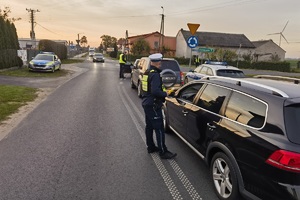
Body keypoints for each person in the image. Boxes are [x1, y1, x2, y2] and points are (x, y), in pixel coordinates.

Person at [141, 53, 177, 159]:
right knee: (159, 128)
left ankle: (151, 147)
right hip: (153, 104)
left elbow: (146, 89)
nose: (160, 63)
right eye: (159, 62)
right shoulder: (155, 74)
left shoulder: (147, 72)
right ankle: (163, 151)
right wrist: (166, 94)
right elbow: (155, 91)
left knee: (149, 127)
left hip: (146, 103)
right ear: (156, 62)